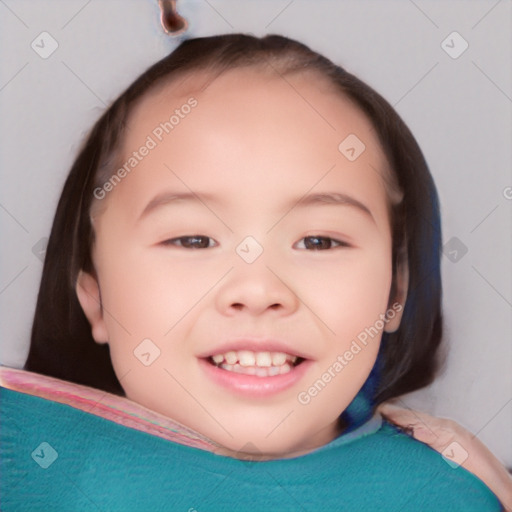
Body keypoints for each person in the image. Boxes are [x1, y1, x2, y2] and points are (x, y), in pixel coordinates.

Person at [3, 33, 509, 509]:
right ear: (94, 296)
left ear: (395, 289)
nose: (258, 289)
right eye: (193, 239)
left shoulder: (452, 490)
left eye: (319, 240)